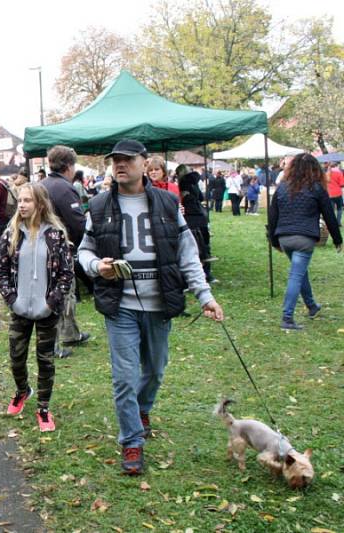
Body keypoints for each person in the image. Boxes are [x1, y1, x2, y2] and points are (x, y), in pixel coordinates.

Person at [78, 139, 224, 475]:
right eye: (115, 160)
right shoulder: (98, 205)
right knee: (125, 377)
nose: (120, 165)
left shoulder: (168, 202)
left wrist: (205, 296)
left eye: (128, 160)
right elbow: (83, 251)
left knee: (155, 370)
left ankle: (142, 408)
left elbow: (188, 253)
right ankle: (132, 441)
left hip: (160, 302)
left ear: (145, 163)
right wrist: (96, 265)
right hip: (121, 306)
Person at [0, 183, 73, 433]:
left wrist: (51, 302)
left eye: (27, 200)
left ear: (39, 203)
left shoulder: (55, 234)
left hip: (47, 312)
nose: (21, 204)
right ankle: (22, 391)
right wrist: (12, 299)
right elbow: (1, 269)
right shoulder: (11, 232)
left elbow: (66, 273)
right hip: (19, 309)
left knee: (45, 360)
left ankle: (43, 407)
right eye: (20, 200)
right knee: (16, 357)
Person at [267, 153, 342, 331]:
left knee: (299, 272)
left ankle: (312, 306)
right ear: (314, 169)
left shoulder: (283, 187)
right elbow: (329, 216)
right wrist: (338, 240)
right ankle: (287, 317)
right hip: (304, 238)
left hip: (284, 238)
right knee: (296, 275)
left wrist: (274, 240)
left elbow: (272, 215)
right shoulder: (317, 188)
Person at [40, 146, 91, 358]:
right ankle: (53, 345)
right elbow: (77, 223)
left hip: (41, 248)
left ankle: (70, 333)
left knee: (60, 293)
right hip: (60, 249)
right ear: (69, 166)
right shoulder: (64, 188)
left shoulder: (40, 185)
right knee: (62, 294)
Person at [178, 170, 215, 282]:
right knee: (201, 248)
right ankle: (206, 275)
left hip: (193, 218)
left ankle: (205, 275)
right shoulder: (192, 185)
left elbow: (199, 198)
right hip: (196, 218)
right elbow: (201, 198)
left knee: (198, 248)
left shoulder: (184, 184)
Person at [327, 162, 343, 226]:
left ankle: (332, 223)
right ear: (336, 166)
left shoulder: (327, 173)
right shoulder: (339, 173)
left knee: (332, 209)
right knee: (339, 208)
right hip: (338, 193)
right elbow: (342, 184)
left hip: (329, 194)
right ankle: (338, 222)